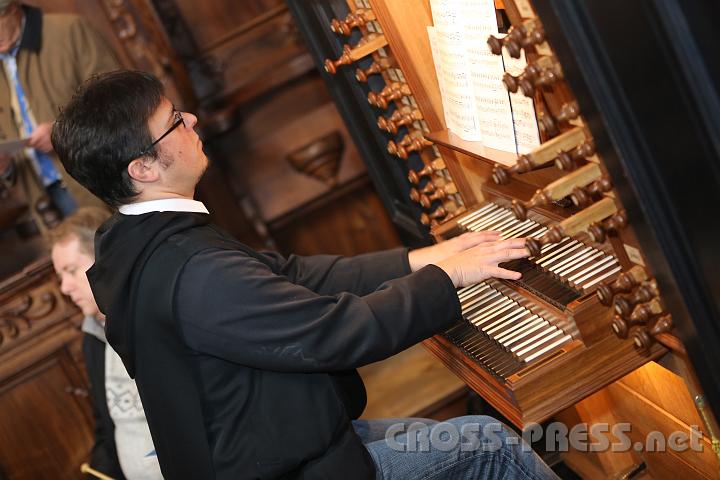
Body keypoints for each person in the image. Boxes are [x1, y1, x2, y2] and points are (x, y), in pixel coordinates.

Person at [52, 70, 559, 479]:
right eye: (173, 122)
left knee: (434, 433)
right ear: (143, 168)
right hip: (288, 468)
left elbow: (293, 275)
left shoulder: (146, 240)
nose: (191, 118)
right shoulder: (191, 270)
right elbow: (329, 334)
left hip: (288, 448)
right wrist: (449, 279)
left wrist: (423, 259)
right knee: (489, 446)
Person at [50, 206, 163, 480]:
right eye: (60, 276)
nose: (64, 287)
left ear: (104, 260)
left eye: (71, 270)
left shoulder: (155, 318)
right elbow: (107, 427)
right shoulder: (93, 336)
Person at [0, 0, 118, 226]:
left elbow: (120, 100)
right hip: (45, 201)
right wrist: (5, 167)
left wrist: (63, 130)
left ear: (12, 9)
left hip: (99, 184)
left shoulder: (69, 30)